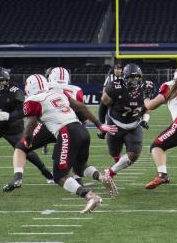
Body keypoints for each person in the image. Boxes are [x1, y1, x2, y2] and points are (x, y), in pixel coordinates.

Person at [21, 73, 118, 213]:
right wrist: (99, 125)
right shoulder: (57, 92)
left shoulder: (33, 100)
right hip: (82, 130)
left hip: (66, 131)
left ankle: (89, 196)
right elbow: (82, 107)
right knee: (79, 167)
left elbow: (31, 125)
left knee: (59, 176)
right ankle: (102, 177)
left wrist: (28, 141)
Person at [3, 66, 84, 192]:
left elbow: (33, 118)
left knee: (21, 147)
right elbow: (82, 113)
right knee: (72, 152)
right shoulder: (76, 90)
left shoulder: (46, 90)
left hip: (50, 126)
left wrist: (27, 137)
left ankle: (18, 177)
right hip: (73, 125)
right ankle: (78, 177)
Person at [100, 64, 155, 189]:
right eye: (130, 77)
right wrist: (102, 124)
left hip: (134, 124)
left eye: (136, 77)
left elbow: (149, 106)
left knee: (134, 154)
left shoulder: (147, 87)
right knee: (114, 152)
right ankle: (118, 161)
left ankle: (110, 173)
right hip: (115, 123)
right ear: (124, 77)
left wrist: (146, 118)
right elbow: (103, 104)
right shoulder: (115, 86)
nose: (134, 80)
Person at [97, 62, 124, 137]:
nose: (117, 71)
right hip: (110, 100)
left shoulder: (124, 78)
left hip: (121, 101)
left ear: (122, 70)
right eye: (116, 69)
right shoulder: (110, 77)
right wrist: (104, 98)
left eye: (119, 69)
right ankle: (102, 130)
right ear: (114, 70)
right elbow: (104, 88)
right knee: (103, 112)